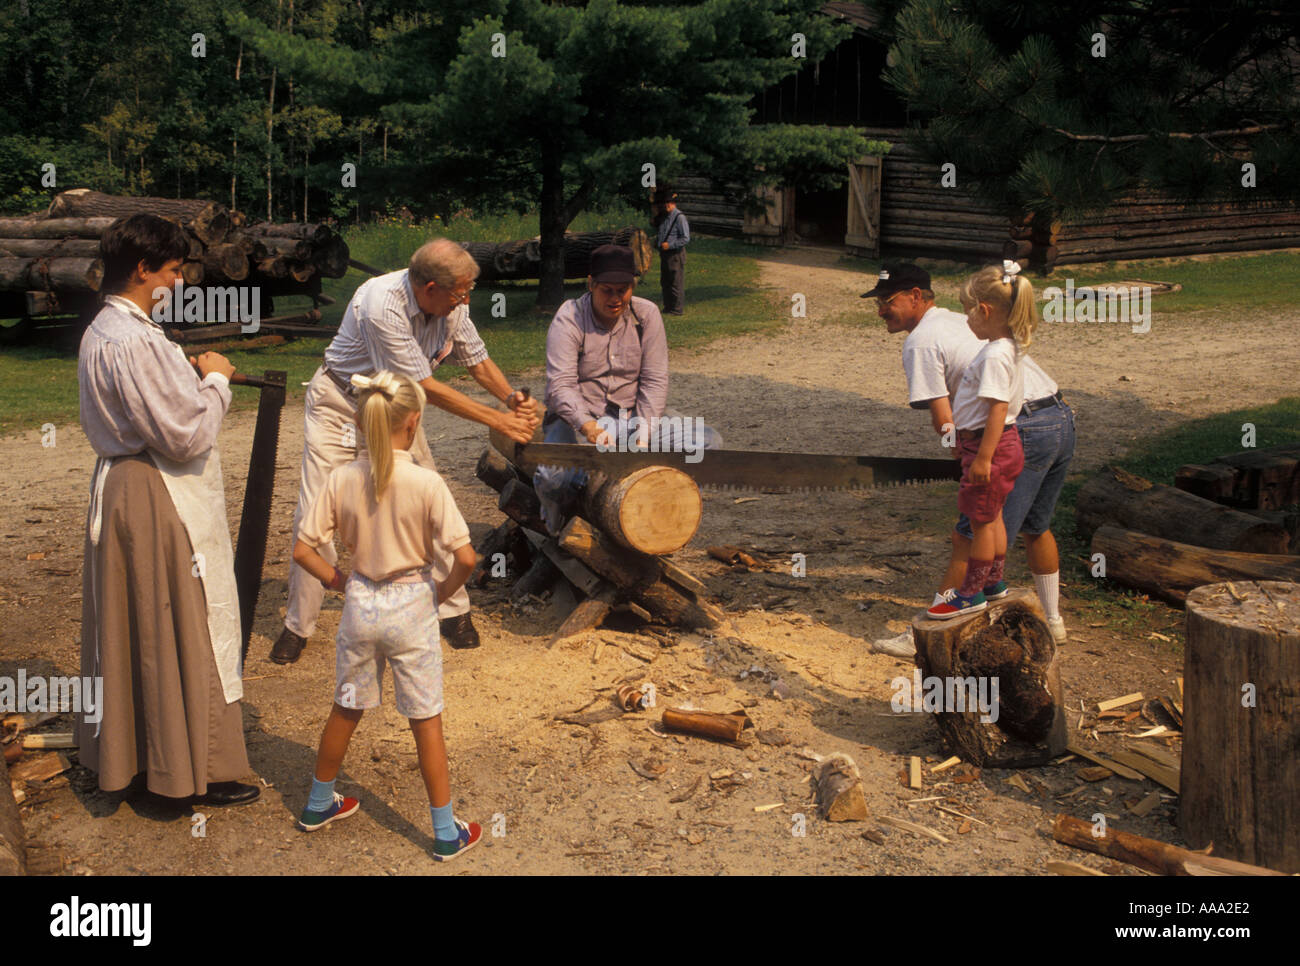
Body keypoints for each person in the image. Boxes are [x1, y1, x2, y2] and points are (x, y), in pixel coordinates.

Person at [273, 239, 540, 663]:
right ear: (429, 287)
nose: (466, 300)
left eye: (468, 291)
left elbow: (477, 359)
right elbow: (424, 387)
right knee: (316, 509)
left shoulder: (454, 303)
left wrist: (510, 398)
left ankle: (452, 611)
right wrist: (497, 421)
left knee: (426, 501)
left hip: (396, 410)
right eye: (459, 293)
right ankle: (297, 626)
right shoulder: (381, 304)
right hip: (343, 406)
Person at [76, 213, 258, 806]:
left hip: (124, 490)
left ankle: (134, 764)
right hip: (155, 495)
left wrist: (186, 371)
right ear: (143, 269)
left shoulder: (101, 329)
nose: (179, 283)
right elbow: (184, 437)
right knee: (175, 623)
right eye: (173, 271)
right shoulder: (134, 339)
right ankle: (178, 776)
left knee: (137, 627)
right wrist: (218, 381)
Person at [292, 370, 481, 860]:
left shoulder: (342, 478)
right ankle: (444, 832)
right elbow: (466, 558)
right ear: (413, 422)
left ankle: (317, 804)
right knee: (426, 720)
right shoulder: (426, 482)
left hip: (361, 605)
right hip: (411, 607)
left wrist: (339, 581)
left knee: (346, 707)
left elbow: (303, 550)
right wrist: (440, 593)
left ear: (361, 421)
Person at [869, 261, 1073, 640]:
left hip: (1012, 429)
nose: (881, 310)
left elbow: (944, 418)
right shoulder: (965, 323)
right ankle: (1052, 622)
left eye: (887, 300)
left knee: (970, 531)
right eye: (877, 301)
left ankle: (932, 628)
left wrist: (963, 453)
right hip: (1057, 417)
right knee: (1035, 527)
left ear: (916, 297)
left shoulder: (921, 341)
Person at [533, 245, 720, 532]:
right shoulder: (569, 317)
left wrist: (643, 436)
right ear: (590, 285)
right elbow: (561, 386)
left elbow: (655, 380)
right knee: (554, 479)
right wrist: (588, 426)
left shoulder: (646, 315)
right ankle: (555, 524)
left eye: (624, 290)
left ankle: (656, 517)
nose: (616, 299)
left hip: (631, 419)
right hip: (580, 421)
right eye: (607, 290)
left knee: (707, 443)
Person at [925, 262, 1036, 619]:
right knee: (994, 516)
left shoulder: (993, 356)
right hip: (998, 444)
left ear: (984, 310)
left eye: (966, 312)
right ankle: (994, 583)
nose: (966, 320)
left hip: (992, 446)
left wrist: (984, 458)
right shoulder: (1006, 348)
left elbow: (997, 410)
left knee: (981, 523)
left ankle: (971, 593)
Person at [652, 186, 690, 315]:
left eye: (669, 202)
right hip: (665, 254)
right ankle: (668, 307)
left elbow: (685, 238)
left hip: (675, 255)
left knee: (675, 282)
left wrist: (671, 245)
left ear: (674, 203)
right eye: (665, 203)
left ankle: (677, 309)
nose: (666, 205)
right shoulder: (664, 216)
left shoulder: (679, 217)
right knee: (665, 282)